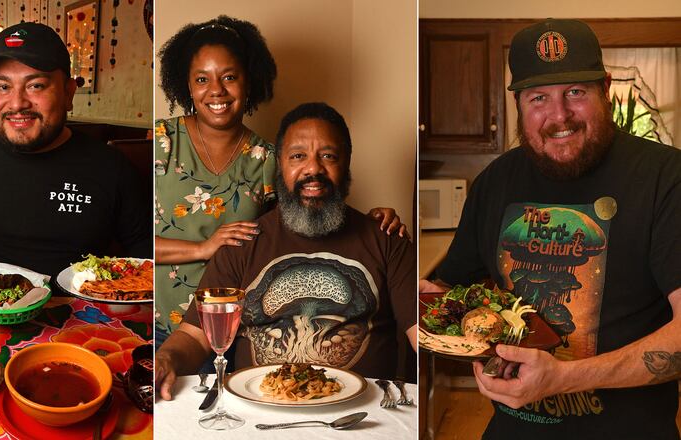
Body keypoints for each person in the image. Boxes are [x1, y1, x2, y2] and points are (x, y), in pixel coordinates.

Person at [421, 19, 681, 438]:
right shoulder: (494, 183)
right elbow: (455, 294)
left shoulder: (666, 177)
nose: (559, 116)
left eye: (575, 92)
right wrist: (425, 310)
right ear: (519, 104)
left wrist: (564, 377)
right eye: (538, 97)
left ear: (606, 90)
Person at [154, 16, 407, 347]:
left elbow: (300, 226)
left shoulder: (269, 158)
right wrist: (203, 248)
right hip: (165, 327)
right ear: (188, 86)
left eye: (229, 77)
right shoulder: (162, 142)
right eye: (202, 79)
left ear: (249, 82)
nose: (216, 90)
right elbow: (134, 239)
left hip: (241, 328)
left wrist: (374, 224)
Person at [155, 102, 417, 400]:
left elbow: (420, 333)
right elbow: (195, 335)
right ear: (280, 164)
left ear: (346, 164)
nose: (313, 169)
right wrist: (166, 359)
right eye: (298, 156)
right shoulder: (241, 244)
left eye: (328, 156)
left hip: (361, 417)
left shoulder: (386, 239)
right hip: (257, 415)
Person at [0, 22, 152, 308]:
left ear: (68, 93)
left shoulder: (112, 167)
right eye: (3, 86)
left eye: (36, 85)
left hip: (83, 319)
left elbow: (145, 251)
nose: (17, 103)